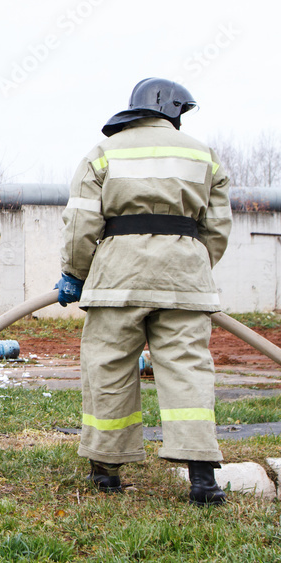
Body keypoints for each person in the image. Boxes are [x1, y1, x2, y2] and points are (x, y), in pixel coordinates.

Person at [56, 78, 232, 505]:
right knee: (188, 369)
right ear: (173, 110)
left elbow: (82, 224)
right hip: (185, 278)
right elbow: (218, 228)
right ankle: (203, 479)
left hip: (118, 275)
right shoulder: (203, 154)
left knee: (109, 365)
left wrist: (75, 273)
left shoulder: (102, 153)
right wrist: (189, 265)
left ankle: (105, 471)